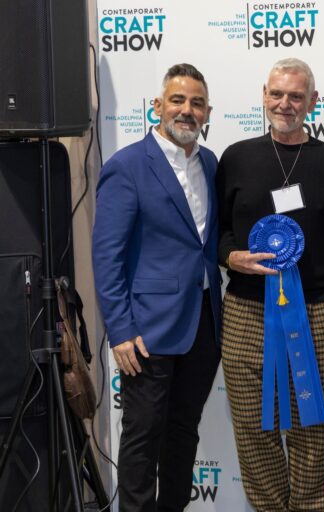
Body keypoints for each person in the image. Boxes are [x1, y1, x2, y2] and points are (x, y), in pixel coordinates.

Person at [216, 58, 324, 512]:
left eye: (296, 96)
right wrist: (231, 257)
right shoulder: (236, 158)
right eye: (277, 94)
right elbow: (217, 233)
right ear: (264, 95)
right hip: (246, 313)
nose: (285, 104)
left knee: (314, 430)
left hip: (319, 313)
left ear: (313, 102)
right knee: (253, 428)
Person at [92, 63, 221, 512]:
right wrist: (121, 330)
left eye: (197, 103)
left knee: (184, 431)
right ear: (157, 106)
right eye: (177, 100)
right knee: (143, 435)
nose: (187, 110)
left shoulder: (209, 162)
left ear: (207, 113)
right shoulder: (127, 166)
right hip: (147, 330)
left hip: (203, 323)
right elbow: (107, 256)